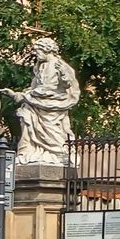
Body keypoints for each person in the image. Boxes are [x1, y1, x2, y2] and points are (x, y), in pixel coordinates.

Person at [8, 36, 81, 166]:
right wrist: (20, 95)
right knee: (26, 115)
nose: (36, 54)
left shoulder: (60, 65)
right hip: (37, 102)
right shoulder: (40, 66)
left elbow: (66, 85)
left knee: (53, 132)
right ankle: (28, 152)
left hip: (53, 103)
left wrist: (64, 75)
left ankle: (59, 153)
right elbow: (35, 87)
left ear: (46, 50)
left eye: (37, 51)